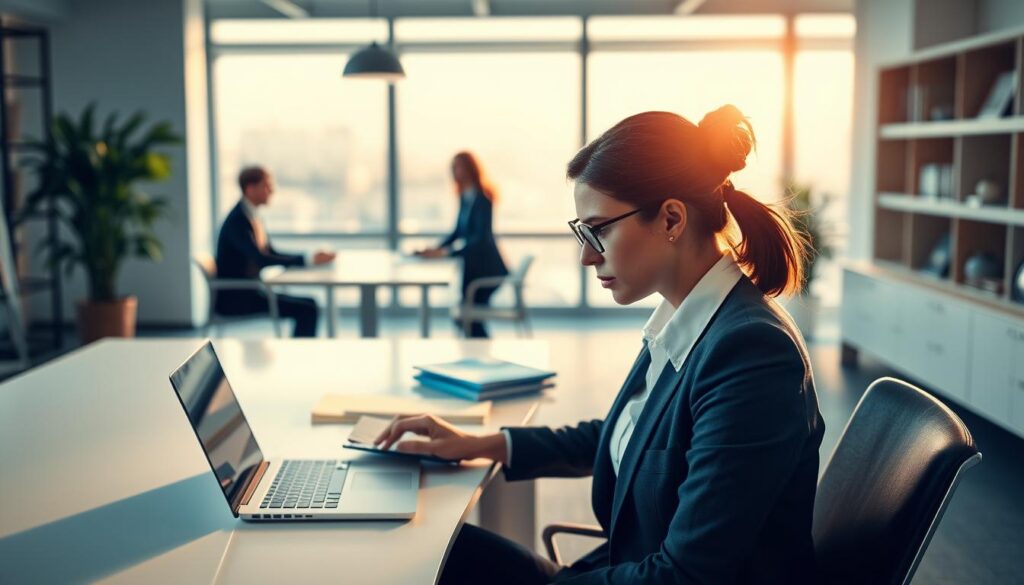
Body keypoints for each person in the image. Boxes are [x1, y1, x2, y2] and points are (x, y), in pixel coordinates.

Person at [376, 106, 825, 584]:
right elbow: (626, 434)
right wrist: (479, 443)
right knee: (421, 547)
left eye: (600, 230)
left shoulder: (751, 354)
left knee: (424, 557)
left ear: (672, 218)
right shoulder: (684, 320)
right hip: (620, 570)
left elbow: (685, 576)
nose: (588, 256)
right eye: (582, 232)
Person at [215, 166, 335, 338]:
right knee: (308, 308)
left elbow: (271, 252)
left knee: (309, 305)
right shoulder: (238, 221)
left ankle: (299, 356)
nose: (272, 190)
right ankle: (299, 359)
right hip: (237, 299)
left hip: (251, 291)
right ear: (250, 188)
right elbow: (261, 259)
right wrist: (306, 260)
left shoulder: (252, 216)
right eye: (267, 185)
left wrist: (308, 259)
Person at [416, 151, 508, 338]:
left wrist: (446, 253)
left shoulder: (482, 199)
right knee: (466, 318)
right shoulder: (465, 197)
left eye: (458, 166)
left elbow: (480, 240)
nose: (455, 171)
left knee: (469, 319)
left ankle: (481, 355)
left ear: (470, 168)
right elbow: (458, 232)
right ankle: (478, 355)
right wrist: (436, 249)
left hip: (487, 270)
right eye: (453, 167)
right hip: (473, 269)